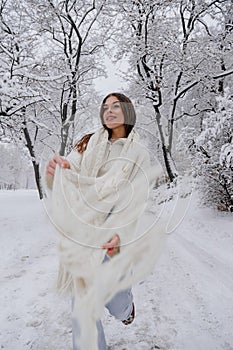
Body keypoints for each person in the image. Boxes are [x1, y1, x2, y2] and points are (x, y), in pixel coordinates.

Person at [45, 92, 152, 350]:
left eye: (116, 106)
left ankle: (126, 308)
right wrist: (56, 171)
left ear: (128, 112)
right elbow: (69, 172)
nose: (110, 111)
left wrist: (121, 235)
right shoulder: (87, 144)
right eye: (105, 107)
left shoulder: (138, 153)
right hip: (84, 235)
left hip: (113, 237)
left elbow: (137, 201)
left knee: (115, 301)